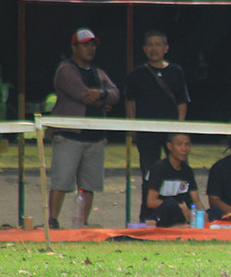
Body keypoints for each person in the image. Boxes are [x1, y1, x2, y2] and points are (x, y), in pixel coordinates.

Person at [47, 28, 120, 229]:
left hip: (95, 136)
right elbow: (82, 94)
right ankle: (52, 221)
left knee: (89, 184)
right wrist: (102, 99)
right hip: (69, 135)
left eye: (93, 44)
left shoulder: (98, 72)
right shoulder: (65, 70)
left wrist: (102, 94)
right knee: (61, 180)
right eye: (86, 44)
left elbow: (115, 93)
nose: (91, 48)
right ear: (74, 47)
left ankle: (81, 222)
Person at [124, 30, 191, 179]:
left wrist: (180, 127)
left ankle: (181, 201)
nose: (154, 49)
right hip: (146, 131)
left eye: (158, 45)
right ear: (144, 49)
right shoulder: (136, 74)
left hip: (172, 130)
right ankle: (150, 200)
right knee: (149, 171)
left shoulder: (176, 71)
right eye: (150, 45)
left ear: (165, 48)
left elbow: (182, 101)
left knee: (179, 169)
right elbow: (130, 101)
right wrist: (133, 125)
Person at [141, 132, 202, 227]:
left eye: (187, 144)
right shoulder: (159, 168)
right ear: (169, 146)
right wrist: (180, 207)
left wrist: (202, 214)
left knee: (215, 212)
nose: (184, 149)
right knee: (171, 204)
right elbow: (151, 202)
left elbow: (196, 200)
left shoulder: (187, 171)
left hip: (180, 214)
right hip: (159, 214)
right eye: (179, 144)